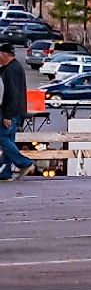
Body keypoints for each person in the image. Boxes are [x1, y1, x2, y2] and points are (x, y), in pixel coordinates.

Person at [0, 38, 29, 182]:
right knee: (9, 140)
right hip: (17, 111)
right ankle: (5, 172)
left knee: (3, 138)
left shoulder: (11, 70)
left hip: (11, 112)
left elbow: (12, 93)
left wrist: (7, 115)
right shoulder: (13, 67)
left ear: (5, 54)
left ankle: (24, 163)